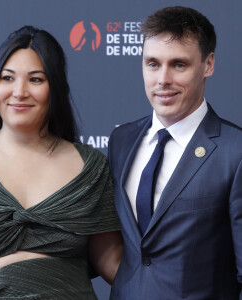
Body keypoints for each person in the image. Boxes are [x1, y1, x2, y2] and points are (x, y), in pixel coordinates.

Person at [0, 26, 123, 299]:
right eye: (7, 78)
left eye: (36, 80)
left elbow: (111, 262)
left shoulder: (91, 167)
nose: (19, 92)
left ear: (55, 88)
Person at [108, 6, 242, 300]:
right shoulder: (121, 141)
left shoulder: (236, 152)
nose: (163, 79)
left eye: (179, 65)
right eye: (152, 64)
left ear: (208, 64)